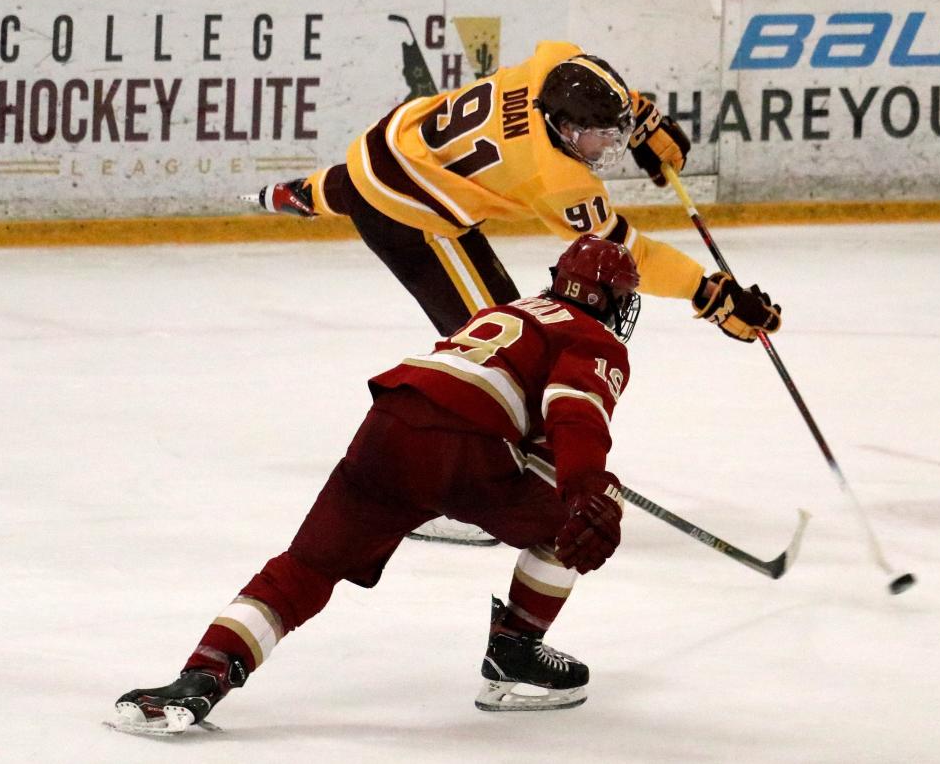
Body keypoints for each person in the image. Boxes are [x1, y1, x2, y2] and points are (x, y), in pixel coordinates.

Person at [251, 40, 782, 543]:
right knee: (508, 353)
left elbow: (593, 79)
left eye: (614, 133)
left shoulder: (556, 61)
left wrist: (638, 117)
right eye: (598, 137)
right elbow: (629, 255)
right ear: (559, 128)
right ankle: (453, 493)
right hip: (409, 217)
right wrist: (707, 292)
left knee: (368, 182)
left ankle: (307, 192)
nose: (610, 148)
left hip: (389, 144)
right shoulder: (556, 179)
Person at [111, 236, 641, 733]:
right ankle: (517, 649)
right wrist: (585, 485)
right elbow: (574, 411)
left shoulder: (506, 310)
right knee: (587, 511)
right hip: (464, 450)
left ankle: (203, 673)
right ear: (607, 296)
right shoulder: (592, 337)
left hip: (387, 427)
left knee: (307, 567)